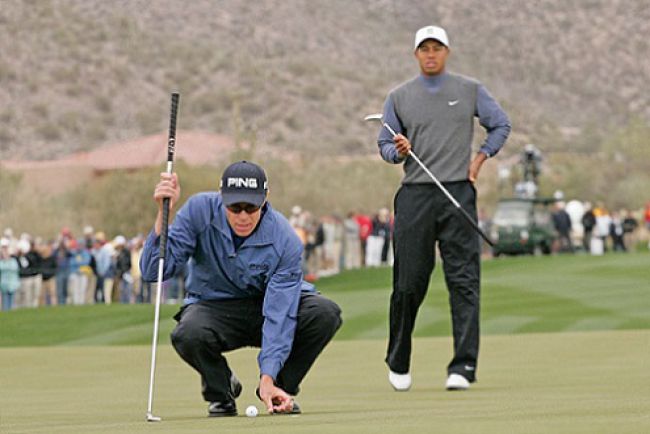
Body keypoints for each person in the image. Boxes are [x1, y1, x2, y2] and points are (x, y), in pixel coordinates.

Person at [140, 161, 342, 417]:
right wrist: (163, 213)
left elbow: (279, 314)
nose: (243, 216)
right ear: (221, 197)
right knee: (188, 333)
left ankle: (277, 391)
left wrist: (268, 377)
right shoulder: (198, 211)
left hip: (265, 305)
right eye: (234, 207)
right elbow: (153, 271)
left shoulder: (285, 239)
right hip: (214, 307)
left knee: (324, 313)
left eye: (251, 207)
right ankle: (221, 391)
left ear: (265, 199)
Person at [376, 25, 510, 391]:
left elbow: (500, 125)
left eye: (437, 47)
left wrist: (479, 161)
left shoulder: (469, 89)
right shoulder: (399, 97)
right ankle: (398, 361)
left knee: (464, 280)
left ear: (447, 51)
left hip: (457, 191)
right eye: (425, 48)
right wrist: (398, 151)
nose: (431, 54)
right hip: (415, 194)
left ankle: (463, 366)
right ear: (416, 54)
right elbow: (384, 144)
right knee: (408, 283)